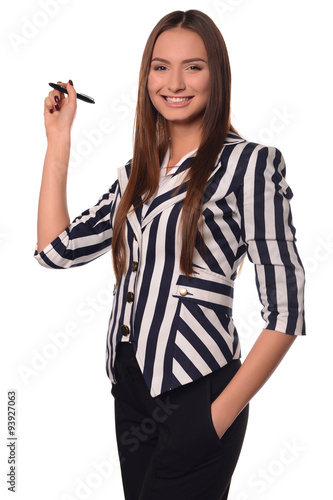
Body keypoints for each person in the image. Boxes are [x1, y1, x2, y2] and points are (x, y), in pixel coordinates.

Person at [35, 9, 306, 500]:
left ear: (216, 74)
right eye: (160, 67)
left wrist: (214, 420)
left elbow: (287, 311)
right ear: (146, 77)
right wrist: (59, 142)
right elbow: (57, 251)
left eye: (193, 66)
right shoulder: (138, 172)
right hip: (131, 391)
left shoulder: (250, 164)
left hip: (199, 393)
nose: (174, 82)